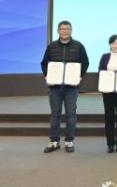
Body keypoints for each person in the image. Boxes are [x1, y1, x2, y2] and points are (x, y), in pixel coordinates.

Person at [41, 20, 89, 153]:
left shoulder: (78, 46)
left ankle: (69, 141)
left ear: (71, 30)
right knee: (55, 114)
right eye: (62, 29)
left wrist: (80, 75)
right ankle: (54, 141)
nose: (65, 31)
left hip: (71, 87)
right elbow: (44, 63)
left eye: (67, 29)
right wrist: (47, 75)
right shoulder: (52, 46)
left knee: (71, 114)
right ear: (58, 31)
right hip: (55, 87)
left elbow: (85, 62)